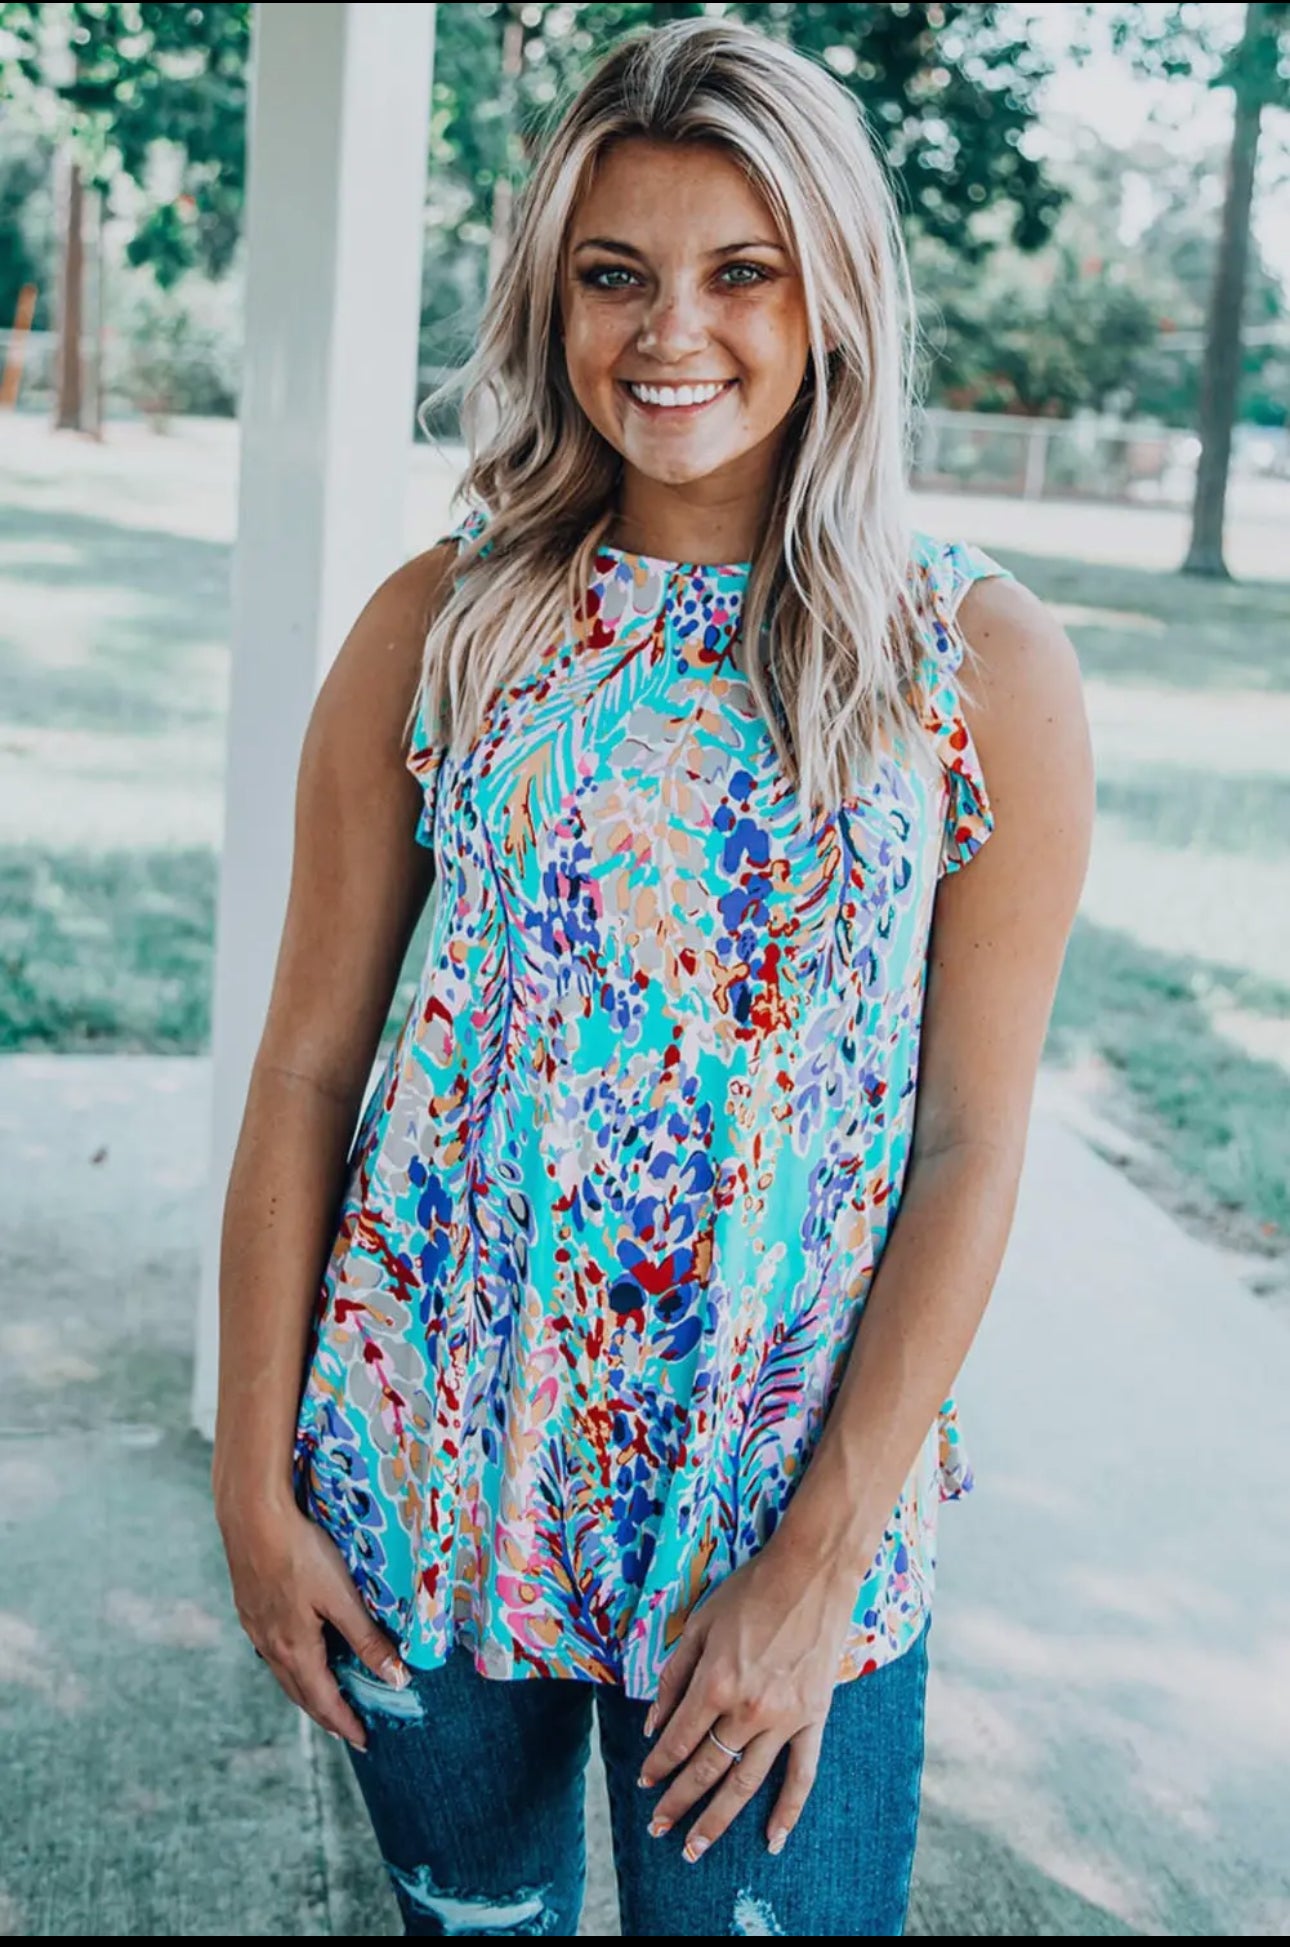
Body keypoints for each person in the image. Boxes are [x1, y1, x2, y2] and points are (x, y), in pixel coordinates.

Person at [213, 17, 1093, 1939]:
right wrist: (250, 1485)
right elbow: (303, 1071)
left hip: (772, 1531)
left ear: (833, 295)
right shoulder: (445, 623)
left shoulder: (975, 666)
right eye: (614, 274)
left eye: (739, 271)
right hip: (429, 1495)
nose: (667, 331)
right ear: (552, 298)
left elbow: (965, 1141)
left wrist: (817, 1560)